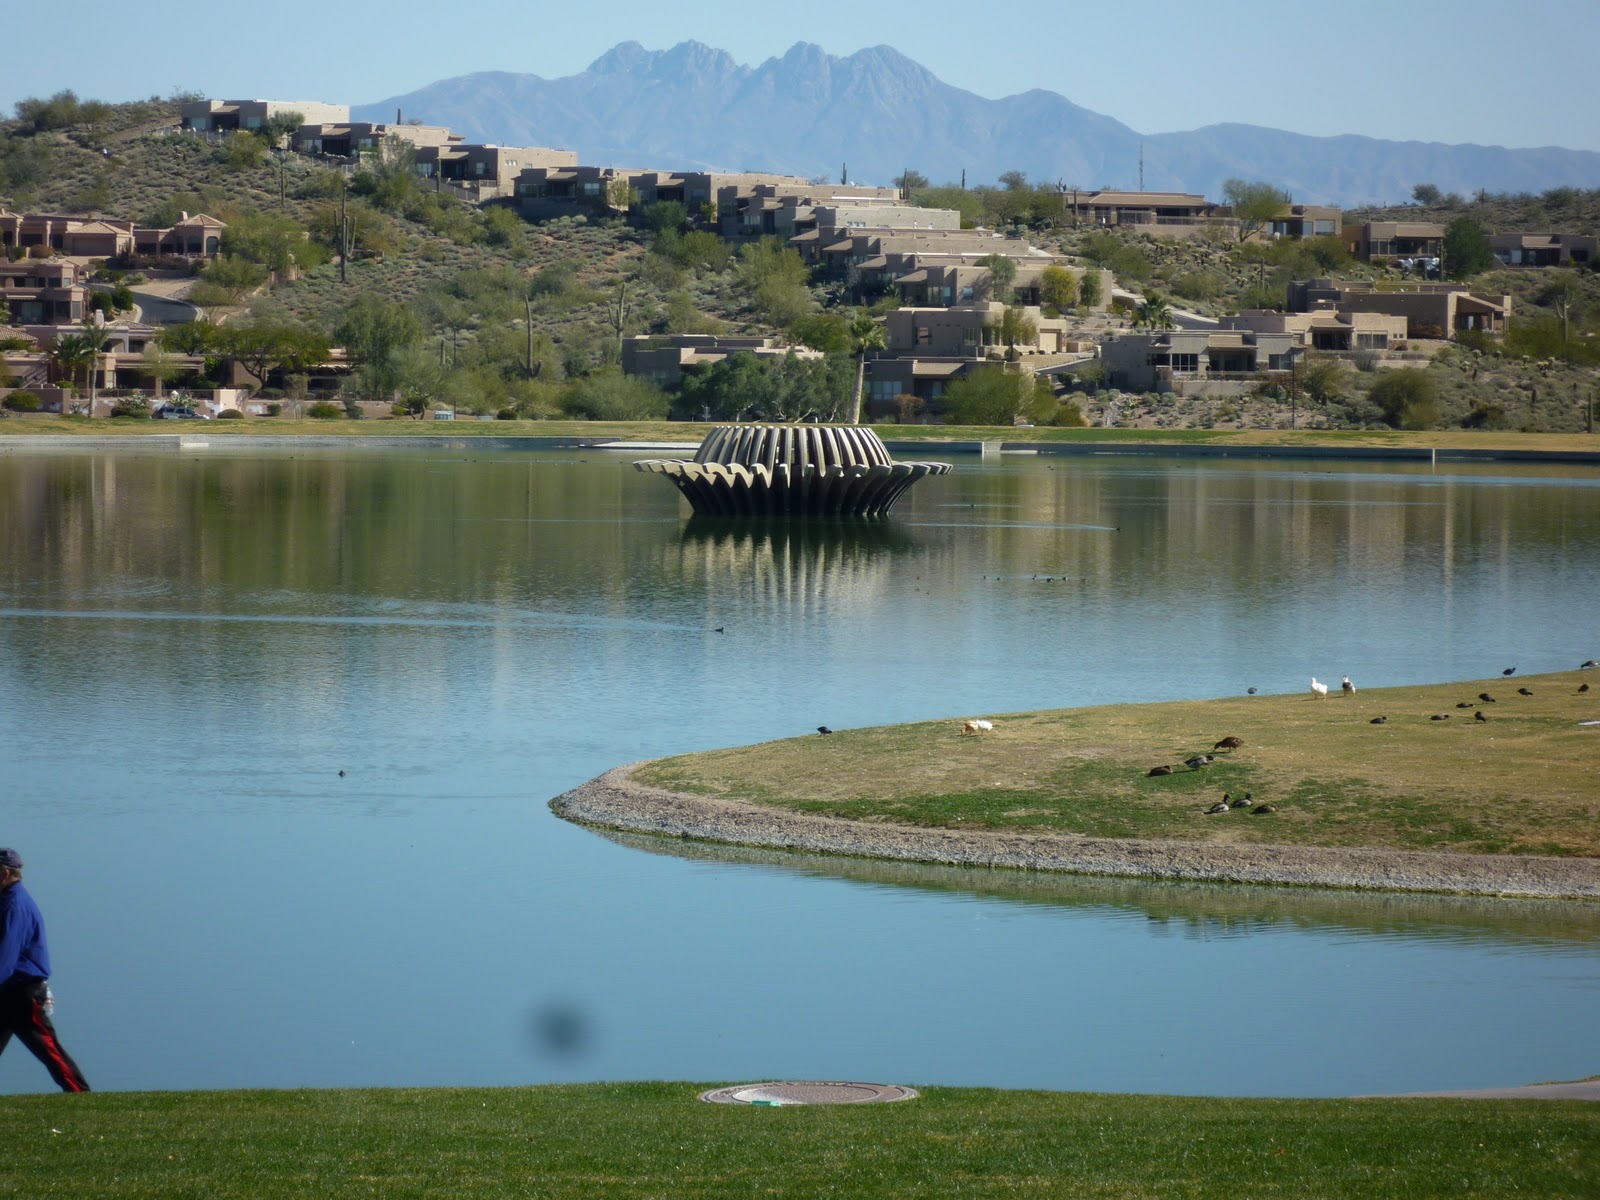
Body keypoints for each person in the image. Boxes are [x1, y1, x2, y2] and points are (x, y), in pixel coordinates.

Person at [0, 848, 89, 1092]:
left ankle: (81, 1096)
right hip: (7, 991)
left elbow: (6, 957)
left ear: (5, 874)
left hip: (21, 994)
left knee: (50, 1051)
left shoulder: (15, 905)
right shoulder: (7, 901)